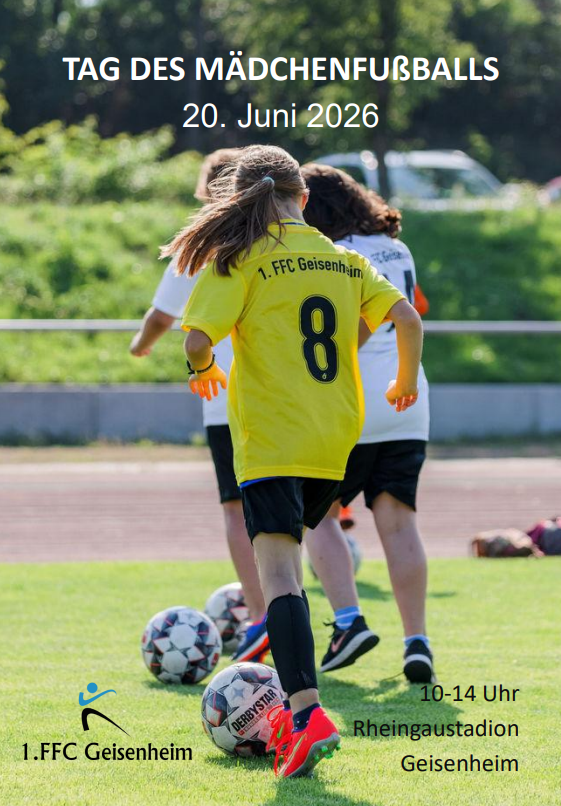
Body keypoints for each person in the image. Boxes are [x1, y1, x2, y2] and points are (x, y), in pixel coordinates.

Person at [161, 144, 423, 778]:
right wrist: (402, 382)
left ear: (239, 202)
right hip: (335, 439)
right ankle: (309, 695)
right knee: (299, 560)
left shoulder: (239, 260)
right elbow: (407, 318)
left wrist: (201, 369)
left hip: (272, 440)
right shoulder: (345, 258)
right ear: (303, 198)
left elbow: (195, 339)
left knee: (280, 576)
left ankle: (305, 716)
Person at [129, 149, 269, 663]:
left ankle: (262, 617)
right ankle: (297, 610)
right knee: (287, 509)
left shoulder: (203, 245)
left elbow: (162, 316)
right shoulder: (281, 238)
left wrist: (140, 346)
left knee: (237, 508)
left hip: (226, 396)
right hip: (286, 396)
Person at [301, 163, 432, 683]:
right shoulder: (397, 248)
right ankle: (417, 641)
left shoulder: (333, 253)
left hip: (351, 400)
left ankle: (348, 621)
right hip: (408, 395)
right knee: (399, 522)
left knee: (317, 515)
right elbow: (412, 312)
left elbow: (350, 331)